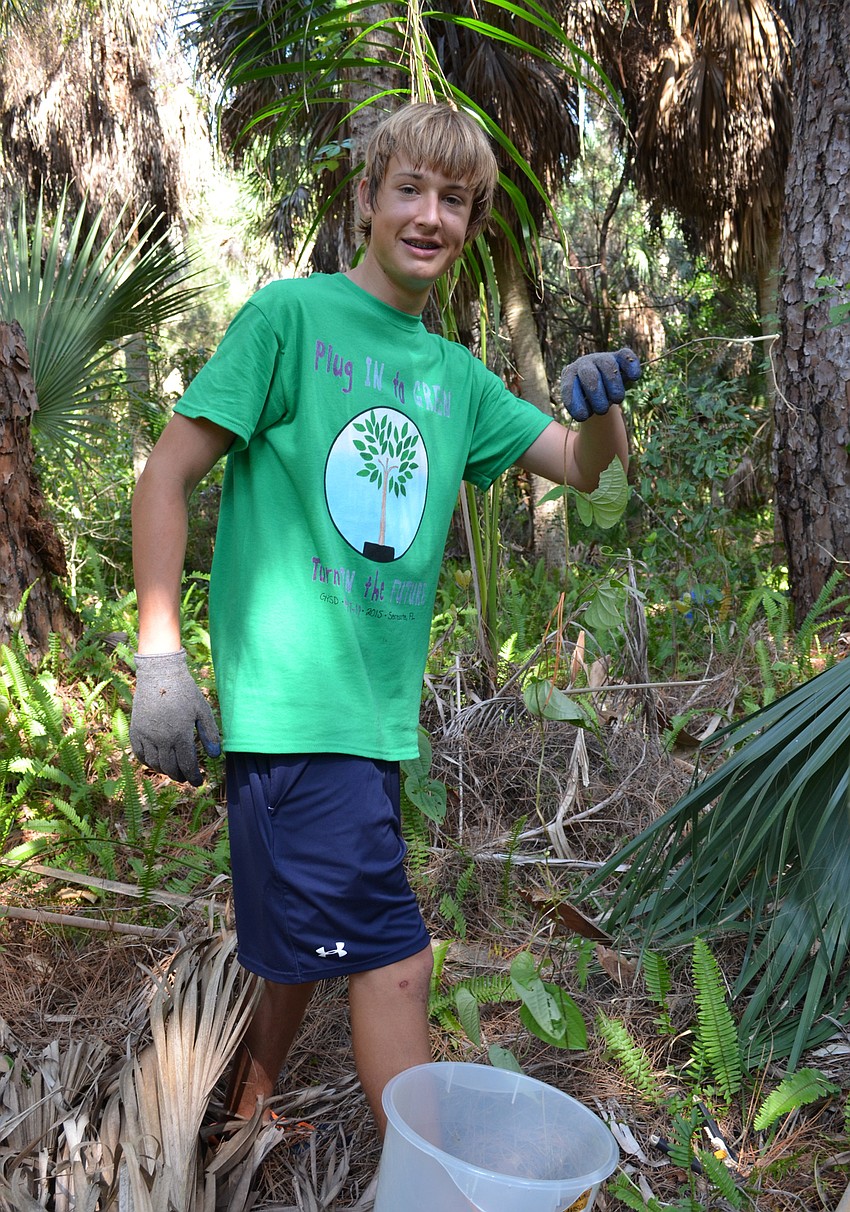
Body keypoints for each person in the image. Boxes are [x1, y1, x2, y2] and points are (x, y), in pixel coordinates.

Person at [129, 102, 639, 1137]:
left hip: (370, 725)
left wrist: (603, 408)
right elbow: (164, 477)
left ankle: (250, 1106)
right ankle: (438, 1186)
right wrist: (160, 659)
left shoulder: (455, 380)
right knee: (397, 960)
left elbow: (585, 473)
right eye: (410, 189)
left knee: (308, 939)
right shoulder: (290, 319)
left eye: (455, 201)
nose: (429, 216)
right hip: (298, 713)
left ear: (470, 225)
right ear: (367, 199)